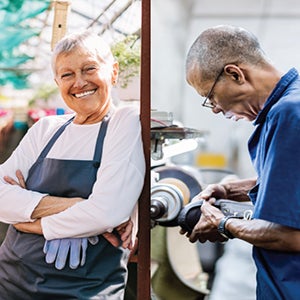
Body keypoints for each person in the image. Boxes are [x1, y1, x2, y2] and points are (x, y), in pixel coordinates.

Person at [0, 30, 145, 299]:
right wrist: (80, 206)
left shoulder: (123, 122)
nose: (79, 82)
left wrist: (30, 222)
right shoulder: (45, 129)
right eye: (67, 75)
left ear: (113, 72)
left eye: (89, 69)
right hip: (11, 280)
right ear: (57, 81)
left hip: (85, 287)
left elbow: (107, 213)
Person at [183, 24, 300, 300]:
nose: (215, 108)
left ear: (235, 74)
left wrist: (223, 223)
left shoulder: (288, 115)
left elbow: (292, 234)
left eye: (210, 96)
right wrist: (233, 189)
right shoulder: (289, 104)